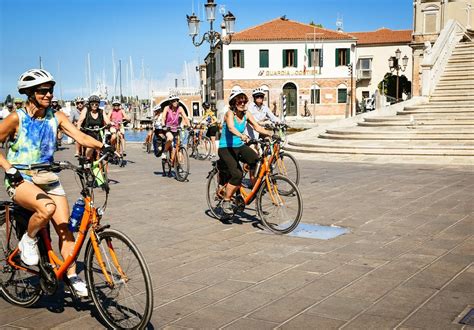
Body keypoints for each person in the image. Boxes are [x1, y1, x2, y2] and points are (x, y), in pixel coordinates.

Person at [0, 68, 112, 297]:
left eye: (50, 90)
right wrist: (9, 168)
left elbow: (79, 136)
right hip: (21, 178)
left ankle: (71, 275)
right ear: (30, 93)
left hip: (48, 178)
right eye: (43, 91)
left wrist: (103, 146)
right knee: (47, 208)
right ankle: (28, 241)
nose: (48, 94)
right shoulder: (16, 118)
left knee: (65, 230)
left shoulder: (56, 116)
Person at [218, 87, 272, 216]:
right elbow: (231, 127)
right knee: (237, 174)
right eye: (239, 102)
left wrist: (270, 134)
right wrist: (242, 136)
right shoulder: (229, 113)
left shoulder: (246, 113)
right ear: (233, 103)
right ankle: (226, 200)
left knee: (256, 161)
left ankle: (242, 187)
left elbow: (257, 126)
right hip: (226, 147)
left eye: (244, 101)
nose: (242, 104)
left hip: (239, 146)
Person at [77, 94, 111, 160]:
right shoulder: (86, 110)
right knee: (90, 147)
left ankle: (98, 164)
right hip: (87, 133)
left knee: (99, 150)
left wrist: (109, 124)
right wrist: (78, 128)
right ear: (89, 104)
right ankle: (87, 160)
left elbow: (107, 120)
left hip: (98, 134)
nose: (94, 106)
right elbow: (80, 120)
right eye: (92, 104)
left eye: (96, 104)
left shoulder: (101, 111)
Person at [161, 94, 190, 169]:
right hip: (168, 128)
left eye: (177, 100)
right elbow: (163, 117)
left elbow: (185, 117)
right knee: (170, 138)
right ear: (170, 102)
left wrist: (189, 126)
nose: (176, 102)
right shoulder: (167, 108)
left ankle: (178, 164)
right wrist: (163, 125)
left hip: (176, 129)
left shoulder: (180, 108)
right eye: (174, 101)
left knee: (178, 145)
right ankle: (165, 151)